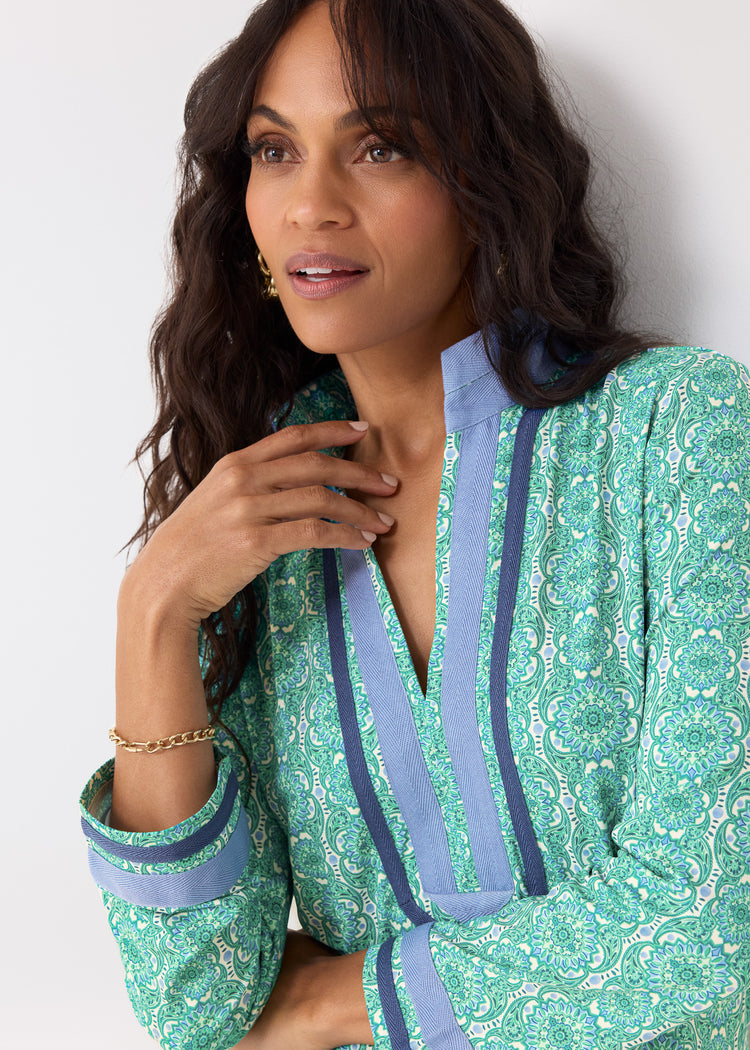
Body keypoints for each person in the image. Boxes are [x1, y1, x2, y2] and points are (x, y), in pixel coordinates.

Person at [79, 1, 750, 1048]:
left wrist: (331, 1000)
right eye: (274, 150)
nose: (311, 204)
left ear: (487, 181)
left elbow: (709, 924)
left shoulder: (679, 435)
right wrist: (155, 611)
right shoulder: (250, 522)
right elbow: (198, 1007)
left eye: (380, 146)